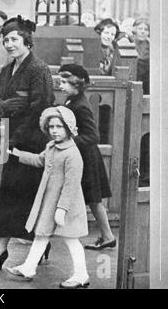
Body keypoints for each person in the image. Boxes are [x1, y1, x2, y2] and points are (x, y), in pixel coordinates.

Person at [0, 16, 54, 269]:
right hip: (14, 141)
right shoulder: (8, 70)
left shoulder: (38, 69)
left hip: (33, 142)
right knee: (11, 194)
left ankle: (29, 245)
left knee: (29, 196)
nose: (9, 44)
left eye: (14, 39)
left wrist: (18, 137)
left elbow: (40, 107)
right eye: (6, 40)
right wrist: (8, 104)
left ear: (27, 41)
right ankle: (6, 247)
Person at [6, 106, 90, 289]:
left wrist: (62, 209)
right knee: (41, 235)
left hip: (67, 206)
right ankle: (29, 267)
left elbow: (71, 186)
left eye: (59, 127)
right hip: (50, 202)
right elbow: (39, 160)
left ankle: (81, 274)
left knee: (71, 239)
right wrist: (17, 155)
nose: (54, 130)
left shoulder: (73, 154)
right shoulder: (51, 147)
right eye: (51, 126)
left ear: (69, 128)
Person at [57, 64, 116, 250]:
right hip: (81, 156)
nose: (61, 85)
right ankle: (107, 236)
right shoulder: (71, 99)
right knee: (92, 199)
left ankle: (107, 236)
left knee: (93, 199)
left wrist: (69, 140)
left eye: (64, 82)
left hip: (87, 158)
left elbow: (93, 136)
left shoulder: (80, 105)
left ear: (76, 83)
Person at [132, 18, 150, 95]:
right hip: (133, 81)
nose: (143, 31)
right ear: (135, 30)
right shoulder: (129, 44)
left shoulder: (152, 46)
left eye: (146, 29)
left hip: (147, 84)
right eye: (140, 29)